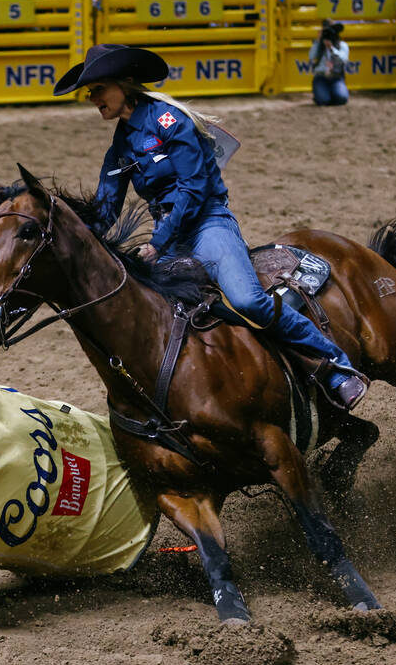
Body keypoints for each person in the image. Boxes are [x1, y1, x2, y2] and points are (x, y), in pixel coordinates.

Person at [51, 44, 369, 409]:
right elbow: (105, 209)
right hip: (170, 237)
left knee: (248, 300)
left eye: (97, 89)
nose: (93, 99)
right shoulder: (120, 145)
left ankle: (336, 367)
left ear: (123, 85)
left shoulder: (170, 121)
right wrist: (66, 228)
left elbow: (194, 187)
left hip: (207, 224)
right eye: (90, 92)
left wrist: (158, 243)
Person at [309, 20, 349, 106]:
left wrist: (331, 49)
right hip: (321, 77)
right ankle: (322, 95)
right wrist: (318, 41)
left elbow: (343, 59)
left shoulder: (342, 45)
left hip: (336, 77)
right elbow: (311, 56)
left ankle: (329, 93)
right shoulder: (319, 45)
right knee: (323, 101)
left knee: (341, 98)